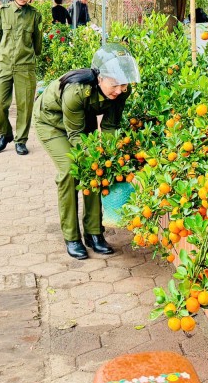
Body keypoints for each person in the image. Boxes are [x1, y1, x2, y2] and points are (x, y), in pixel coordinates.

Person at [34, 43, 140, 259]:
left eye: (124, 85)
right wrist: (94, 156)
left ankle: (94, 233)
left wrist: (109, 156)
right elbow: (74, 135)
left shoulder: (121, 91)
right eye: (115, 84)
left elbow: (110, 127)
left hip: (82, 121)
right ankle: (72, 237)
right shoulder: (76, 91)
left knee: (96, 171)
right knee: (71, 171)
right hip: (52, 123)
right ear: (100, 78)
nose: (120, 90)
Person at [0, 0, 44, 156]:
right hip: (4, 65)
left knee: (25, 106)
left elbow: (37, 44)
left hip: (25, 66)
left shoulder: (35, 16)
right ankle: (5, 134)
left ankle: (21, 140)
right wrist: (3, 56)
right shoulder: (2, 13)